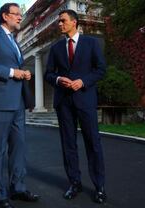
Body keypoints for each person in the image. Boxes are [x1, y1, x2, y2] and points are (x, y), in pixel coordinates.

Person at [0, 3, 39, 208]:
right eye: (17, 14)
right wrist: (13, 72)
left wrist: (24, 73)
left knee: (19, 148)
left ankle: (18, 188)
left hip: (18, 102)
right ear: (5, 16)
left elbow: (15, 66)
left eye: (21, 14)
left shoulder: (14, 41)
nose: (20, 18)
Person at [44, 9, 107, 204]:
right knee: (68, 145)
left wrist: (83, 81)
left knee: (93, 144)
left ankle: (99, 187)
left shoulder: (91, 43)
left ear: (74, 22)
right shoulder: (55, 48)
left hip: (85, 100)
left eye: (62, 21)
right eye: (59, 21)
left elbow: (100, 70)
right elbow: (48, 74)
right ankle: (74, 183)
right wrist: (58, 78)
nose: (59, 24)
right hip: (64, 103)